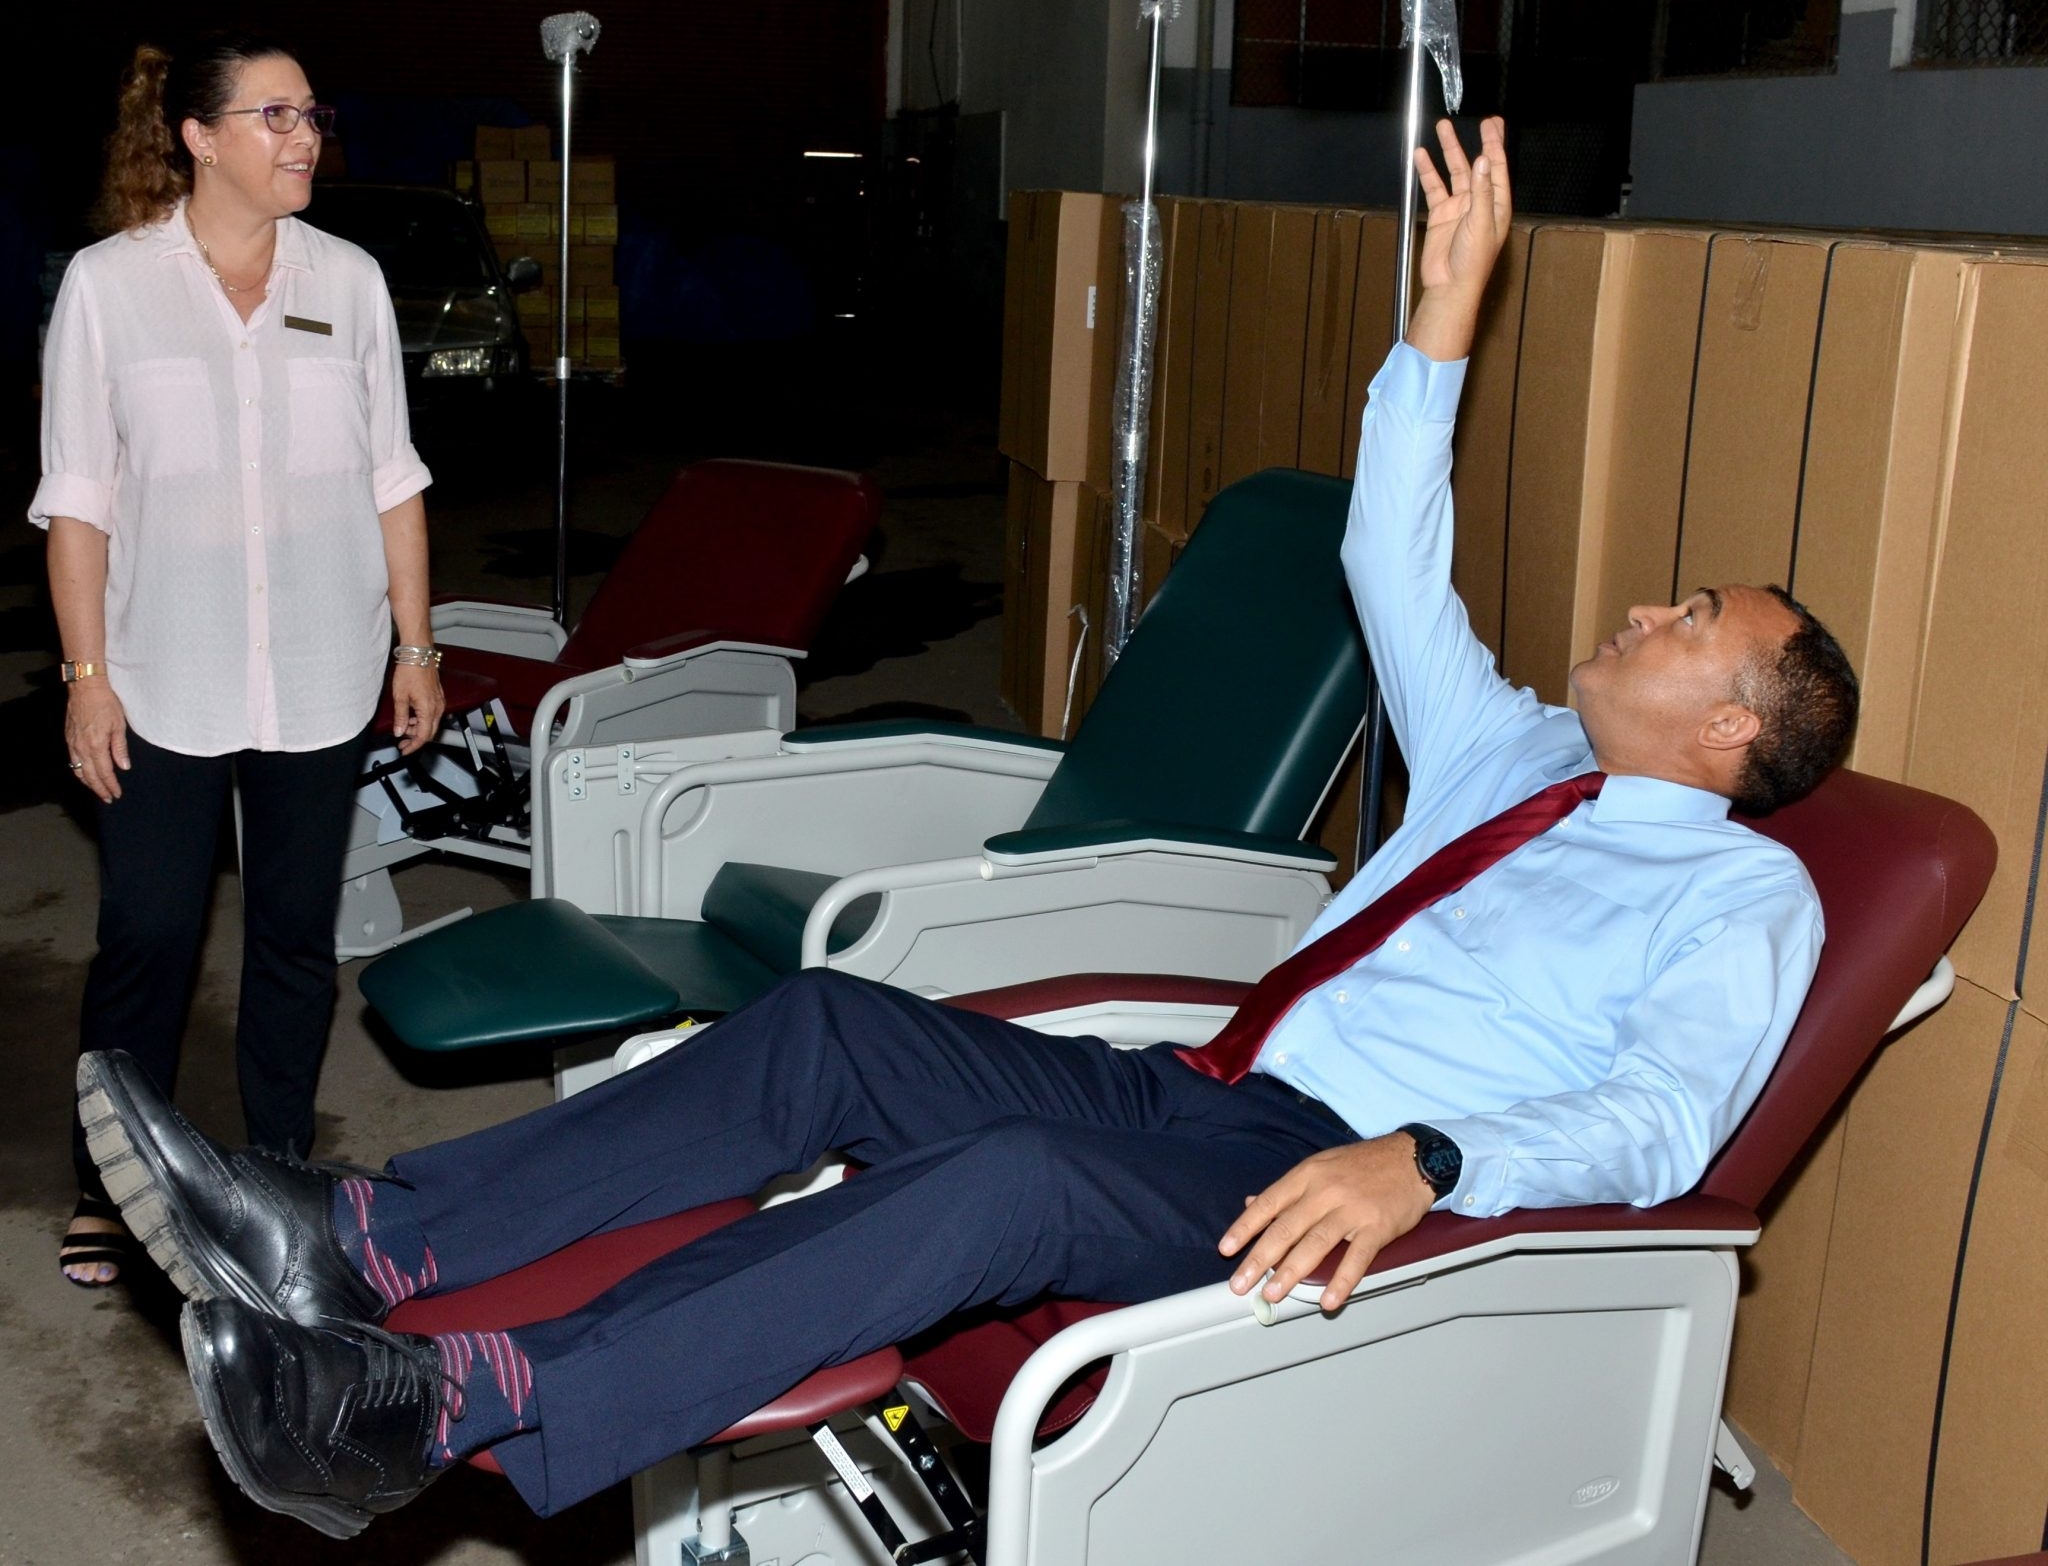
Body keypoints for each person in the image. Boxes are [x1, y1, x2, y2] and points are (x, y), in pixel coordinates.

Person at [79, 117, 1858, 1536]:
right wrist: (1442, 316)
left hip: (1328, 1187)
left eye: (1689, 617)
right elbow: (1388, 551)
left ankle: (451, 1400)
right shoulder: (1510, 755)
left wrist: (1430, 1166)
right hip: (1202, 1089)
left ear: (1729, 724)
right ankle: (364, 1242)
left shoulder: (1740, 898)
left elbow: (1659, 1123)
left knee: (998, 1184)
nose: (1644, 609)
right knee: (831, 1026)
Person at [36, 32, 443, 1287]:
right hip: (163, 671)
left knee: (291, 938)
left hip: (324, 664)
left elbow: (394, 478)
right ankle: (113, 1184)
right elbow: (79, 498)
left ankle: (275, 1163)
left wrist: (416, 645)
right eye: (273, 116)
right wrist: (87, 674)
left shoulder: (350, 279)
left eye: (311, 112)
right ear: (200, 137)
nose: (303, 135)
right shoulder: (110, 286)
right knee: (148, 934)